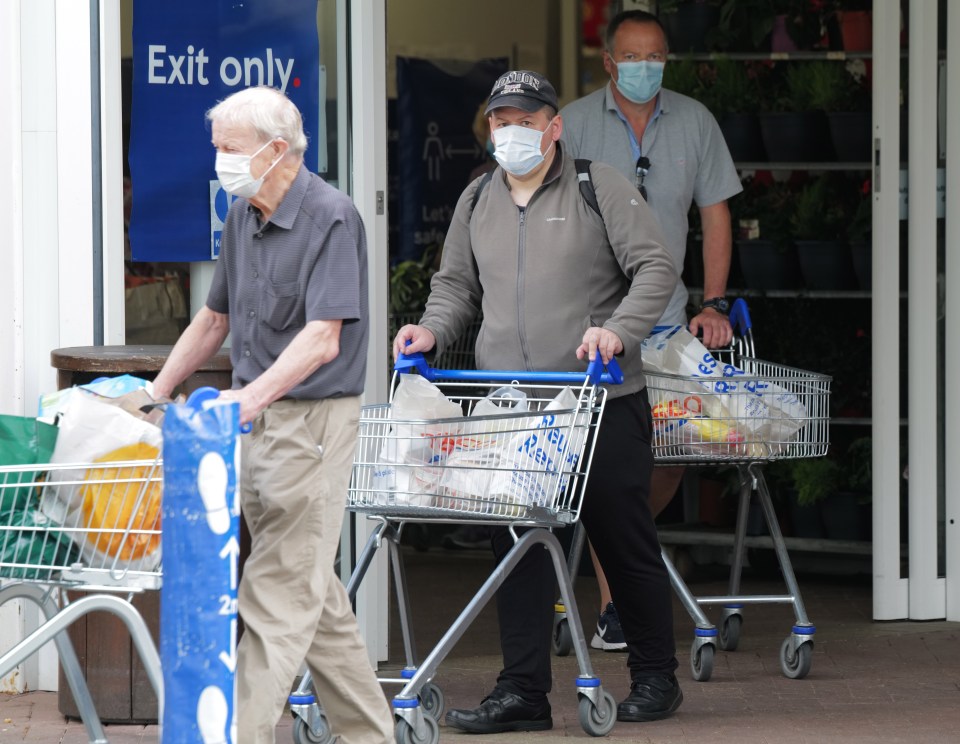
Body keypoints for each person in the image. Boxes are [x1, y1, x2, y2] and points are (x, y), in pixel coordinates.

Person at [393, 69, 682, 732]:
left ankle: (655, 676)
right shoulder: (476, 200)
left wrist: (618, 331)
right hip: (513, 407)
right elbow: (455, 287)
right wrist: (430, 330)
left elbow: (656, 268)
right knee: (517, 545)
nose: (513, 129)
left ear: (554, 126)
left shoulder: (596, 185)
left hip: (599, 399)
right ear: (488, 127)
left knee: (621, 537)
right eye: (501, 119)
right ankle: (522, 691)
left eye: (526, 118)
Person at [152, 86, 394, 744]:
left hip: (311, 426)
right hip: (256, 428)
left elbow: (323, 338)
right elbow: (214, 318)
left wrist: (249, 398)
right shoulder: (243, 215)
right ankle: (373, 735)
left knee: (275, 598)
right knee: (311, 594)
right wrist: (158, 392)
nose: (218, 161)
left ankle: (235, 735)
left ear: (276, 150)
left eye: (228, 149)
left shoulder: (332, 217)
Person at [560, 9, 743, 652]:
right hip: (592, 326)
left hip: (666, 320)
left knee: (668, 455)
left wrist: (715, 303)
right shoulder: (575, 124)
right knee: (612, 463)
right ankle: (616, 609)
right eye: (633, 57)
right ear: (609, 62)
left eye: (657, 56)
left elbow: (715, 214)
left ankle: (619, 549)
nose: (646, 68)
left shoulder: (694, 121)